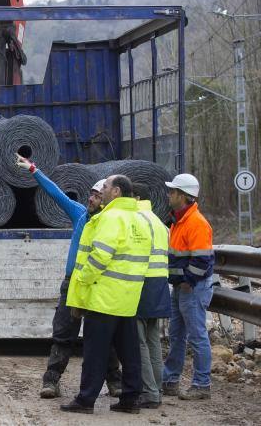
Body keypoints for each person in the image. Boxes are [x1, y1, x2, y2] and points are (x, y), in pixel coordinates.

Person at [15, 154, 122, 399]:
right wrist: (34, 169)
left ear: (106, 200)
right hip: (73, 282)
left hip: (98, 284)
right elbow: (55, 193)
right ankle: (51, 381)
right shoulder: (80, 215)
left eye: (96, 196)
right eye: (91, 195)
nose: (91, 199)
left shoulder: (111, 223)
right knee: (63, 334)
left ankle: (115, 382)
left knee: (103, 337)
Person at [62, 175, 152, 414]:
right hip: (128, 298)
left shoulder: (111, 218)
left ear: (116, 192)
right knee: (129, 351)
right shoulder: (140, 219)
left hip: (103, 297)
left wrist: (82, 280)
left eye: (105, 186)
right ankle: (131, 398)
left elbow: (101, 255)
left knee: (95, 352)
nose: (101, 190)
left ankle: (85, 400)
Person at [161, 173, 214, 400]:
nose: (168, 195)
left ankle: (202, 385)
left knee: (197, 336)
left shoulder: (196, 223)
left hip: (192, 288)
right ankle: (170, 380)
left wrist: (186, 283)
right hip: (182, 287)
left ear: (183, 196)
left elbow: (202, 261)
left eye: (172, 192)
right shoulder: (178, 220)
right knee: (177, 335)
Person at [132, 182, 171, 408]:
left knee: (140, 343)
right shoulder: (158, 221)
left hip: (142, 285)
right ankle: (157, 388)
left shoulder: (136, 220)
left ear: (136, 198)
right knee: (153, 340)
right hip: (159, 285)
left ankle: (149, 393)